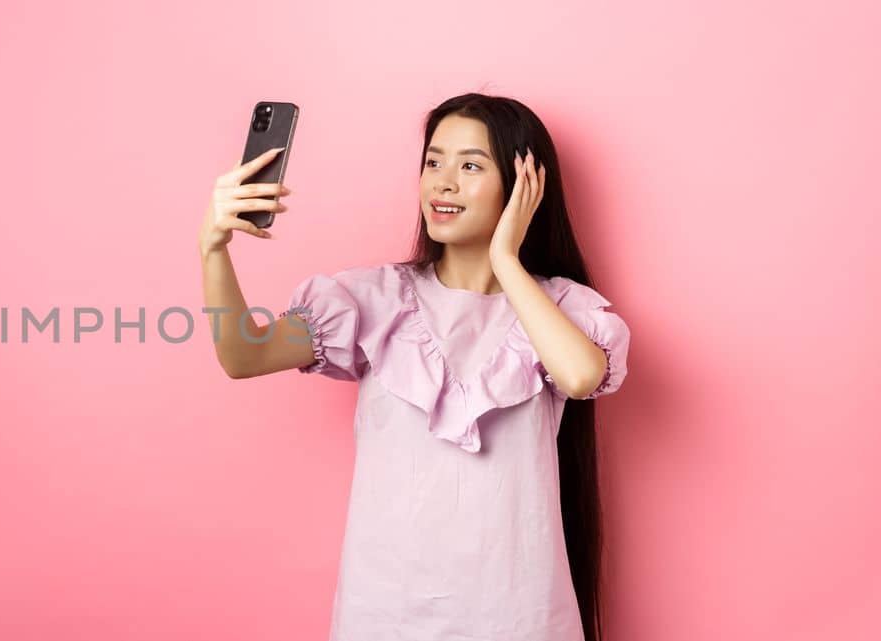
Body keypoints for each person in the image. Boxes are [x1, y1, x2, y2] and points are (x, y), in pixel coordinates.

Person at [197, 93, 631, 641]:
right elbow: (244, 355)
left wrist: (506, 261)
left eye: (470, 165)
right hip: (386, 611)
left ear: (526, 187)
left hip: (518, 612)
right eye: (433, 161)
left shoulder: (561, 309)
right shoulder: (373, 298)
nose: (442, 182)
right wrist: (213, 248)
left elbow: (581, 376)